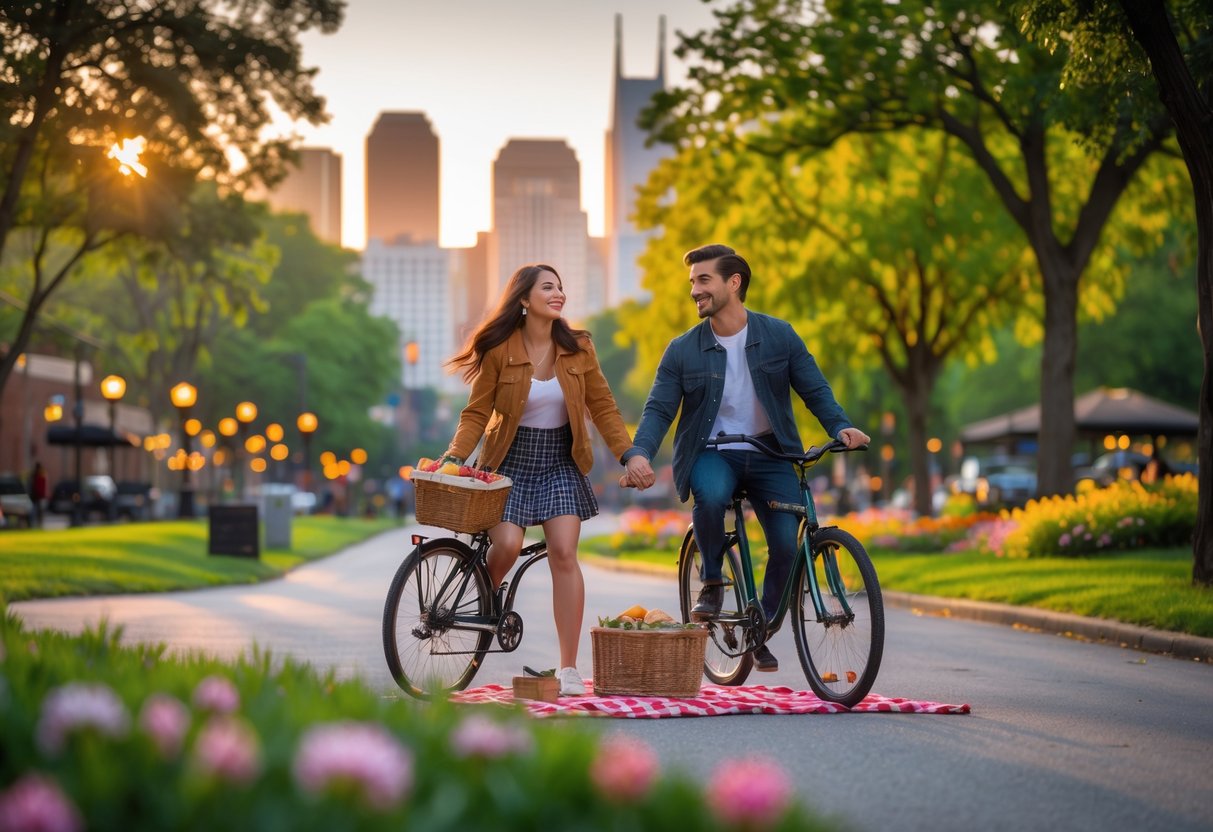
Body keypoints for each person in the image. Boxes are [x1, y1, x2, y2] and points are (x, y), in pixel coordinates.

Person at [621, 244, 870, 672]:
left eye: (704, 280)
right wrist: (638, 452)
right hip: (712, 452)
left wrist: (839, 426)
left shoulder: (779, 335)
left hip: (771, 452)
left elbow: (814, 388)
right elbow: (659, 409)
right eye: (692, 282)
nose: (695, 290)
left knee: (786, 548)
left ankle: (761, 628)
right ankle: (713, 581)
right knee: (713, 495)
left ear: (733, 283)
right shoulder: (682, 350)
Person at [442, 263, 654, 696]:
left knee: (563, 552)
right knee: (507, 545)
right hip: (508, 463)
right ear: (523, 300)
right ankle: (486, 597)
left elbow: (604, 408)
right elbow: (477, 414)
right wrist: (454, 458)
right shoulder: (500, 348)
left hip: (560, 461)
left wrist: (628, 453)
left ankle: (569, 668)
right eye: (547, 288)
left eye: (561, 287)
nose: (558, 294)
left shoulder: (578, 348)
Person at [30, 461, 49, 528]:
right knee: (38, 511)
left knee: (36, 510)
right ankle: (38, 523)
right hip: (39, 496)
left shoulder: (36, 475)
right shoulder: (40, 475)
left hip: (37, 496)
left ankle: (37, 523)